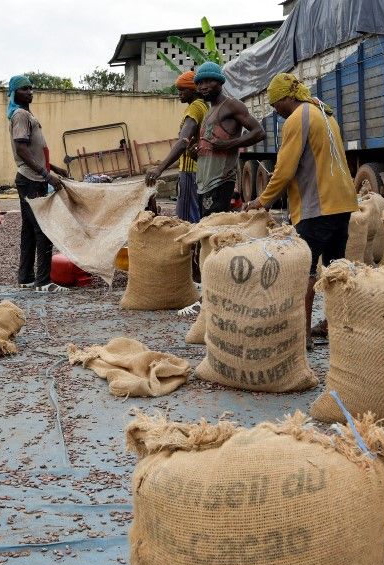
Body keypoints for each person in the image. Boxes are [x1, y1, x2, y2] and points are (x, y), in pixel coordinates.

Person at [244, 72, 358, 350]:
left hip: (318, 207)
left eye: (275, 104)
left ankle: (302, 336)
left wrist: (263, 201)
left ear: (287, 97)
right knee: (335, 270)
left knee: (303, 272)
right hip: (342, 204)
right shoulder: (325, 113)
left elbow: (284, 168)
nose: (275, 111)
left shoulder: (298, 119)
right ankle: (334, 328)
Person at [8, 74, 69, 293]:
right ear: (15, 92)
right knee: (43, 228)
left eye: (31, 88)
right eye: (24, 89)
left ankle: (26, 277)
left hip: (32, 179)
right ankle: (43, 282)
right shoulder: (21, 115)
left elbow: (35, 151)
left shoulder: (26, 114)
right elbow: (22, 150)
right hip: (31, 181)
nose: (30, 92)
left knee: (29, 230)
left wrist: (54, 168)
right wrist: (46, 174)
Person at [193, 62, 265, 216]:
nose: (203, 86)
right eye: (199, 83)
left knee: (213, 229)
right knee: (205, 228)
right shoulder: (209, 111)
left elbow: (259, 132)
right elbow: (210, 148)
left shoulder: (231, 105)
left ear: (219, 82)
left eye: (208, 81)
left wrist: (228, 144)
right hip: (204, 182)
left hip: (220, 181)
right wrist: (195, 151)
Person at [144, 71, 208, 223]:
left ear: (193, 90)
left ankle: (190, 247)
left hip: (190, 172)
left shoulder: (195, 108)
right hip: (199, 170)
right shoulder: (205, 107)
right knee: (197, 216)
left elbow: (183, 141)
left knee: (186, 220)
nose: (179, 93)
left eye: (182, 89)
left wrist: (160, 168)